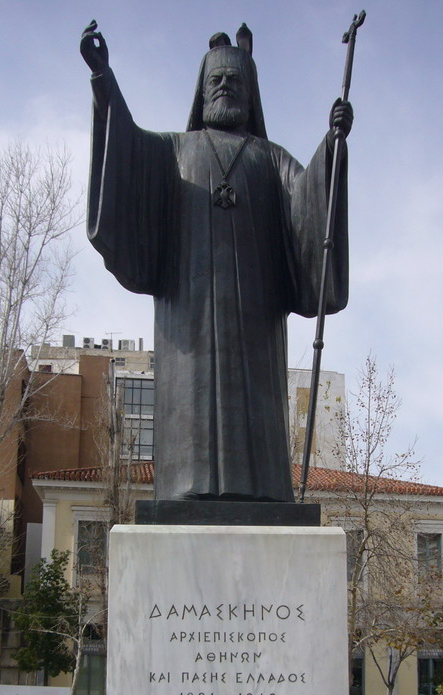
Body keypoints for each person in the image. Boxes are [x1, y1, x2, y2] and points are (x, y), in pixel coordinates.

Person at [81, 21, 352, 503]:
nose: (225, 86)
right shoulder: (172, 151)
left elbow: (310, 202)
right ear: (201, 93)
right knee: (190, 409)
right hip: (188, 317)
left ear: (251, 94)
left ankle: (265, 492)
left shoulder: (271, 158)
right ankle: (186, 488)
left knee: (257, 413)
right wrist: (104, 79)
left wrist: (331, 148)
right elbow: (124, 147)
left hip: (257, 321)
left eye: (234, 80)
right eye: (216, 81)